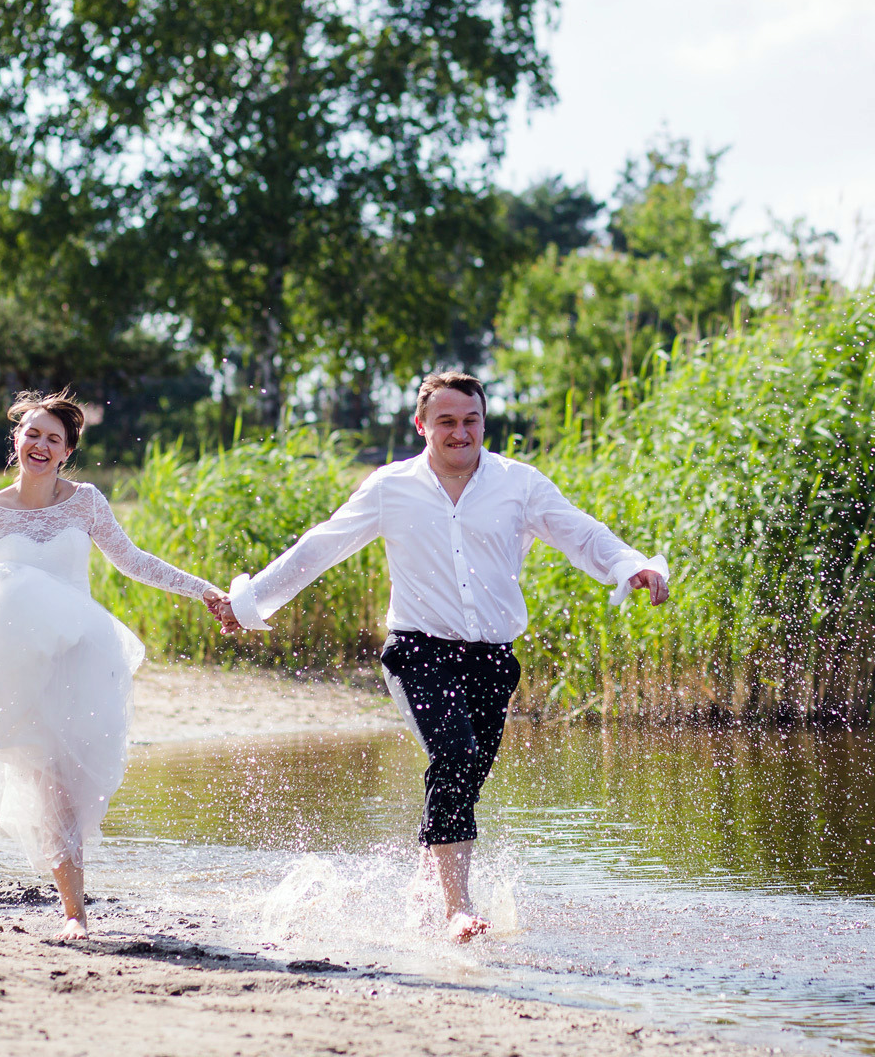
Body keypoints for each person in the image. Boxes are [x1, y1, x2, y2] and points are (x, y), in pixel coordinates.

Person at [212, 371, 668, 941]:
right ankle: (458, 908)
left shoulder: (518, 484)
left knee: (467, 774)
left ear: (484, 422)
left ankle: (428, 877)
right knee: (454, 754)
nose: (460, 432)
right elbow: (322, 546)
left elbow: (581, 533)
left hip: (493, 659)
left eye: (471, 420)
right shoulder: (391, 487)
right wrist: (249, 602)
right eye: (447, 421)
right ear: (422, 425)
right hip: (418, 650)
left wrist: (630, 565)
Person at [0, 389, 225, 939]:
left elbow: (131, 561)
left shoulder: (86, 503)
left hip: (80, 661)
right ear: (17, 440)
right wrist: (5, 586)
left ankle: (73, 900)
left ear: (66, 452)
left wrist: (201, 589)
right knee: (47, 785)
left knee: (73, 789)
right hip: (18, 668)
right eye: (32, 434)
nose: (40, 445)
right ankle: (75, 914)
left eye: (52, 439)